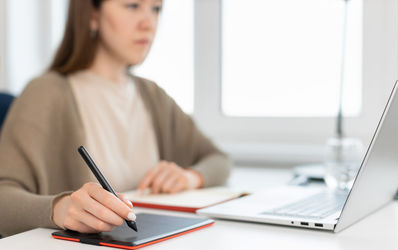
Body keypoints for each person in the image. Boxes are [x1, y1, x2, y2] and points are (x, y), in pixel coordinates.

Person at [0, 0, 231, 237]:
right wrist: (59, 208)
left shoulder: (153, 95)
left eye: (156, 9)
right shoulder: (45, 93)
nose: (148, 23)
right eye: (132, 6)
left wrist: (188, 177)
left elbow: (218, 160)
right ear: (92, 15)